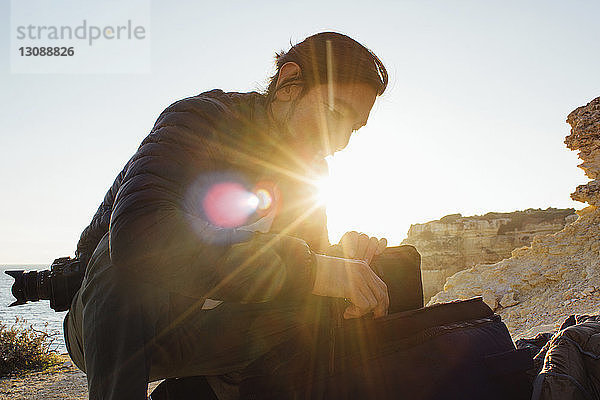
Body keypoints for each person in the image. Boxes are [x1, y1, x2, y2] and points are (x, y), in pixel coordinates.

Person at [64, 31, 394, 400]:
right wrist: (315, 269)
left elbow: (308, 262)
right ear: (288, 84)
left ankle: (196, 393)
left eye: (353, 129)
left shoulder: (310, 173)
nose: (341, 142)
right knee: (126, 257)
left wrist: (341, 258)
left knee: (356, 284)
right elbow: (137, 233)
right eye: (335, 115)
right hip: (114, 325)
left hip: (211, 330)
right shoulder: (200, 120)